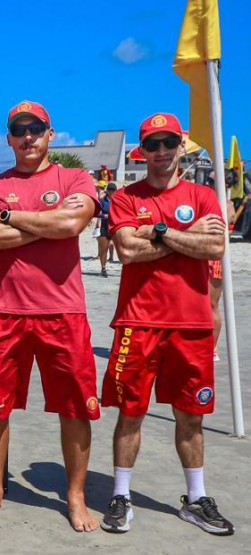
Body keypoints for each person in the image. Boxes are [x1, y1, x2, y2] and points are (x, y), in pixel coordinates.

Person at [0, 100, 101, 532]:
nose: (28, 137)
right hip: (3, 311)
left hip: (63, 311)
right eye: (19, 130)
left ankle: (75, 496)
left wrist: (11, 217)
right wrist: (48, 222)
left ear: (50, 134)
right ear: (8, 137)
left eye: (36, 129)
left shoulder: (75, 178)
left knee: (75, 409)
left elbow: (71, 226)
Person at [99, 113, 233, 535]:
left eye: (169, 143)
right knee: (131, 413)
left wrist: (156, 232)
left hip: (192, 325)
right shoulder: (125, 196)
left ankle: (196, 498)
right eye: (153, 144)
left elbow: (214, 245)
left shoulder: (203, 194)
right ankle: (121, 495)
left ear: (180, 146)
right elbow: (127, 251)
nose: (161, 151)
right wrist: (184, 232)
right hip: (137, 322)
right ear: (141, 151)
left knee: (190, 416)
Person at [208, 174, 235, 362]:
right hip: (202, 255)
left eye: (212, 181)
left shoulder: (226, 204)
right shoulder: (210, 200)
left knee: (211, 304)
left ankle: (212, 347)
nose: (207, 183)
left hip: (215, 258)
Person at [96, 183, 118, 277]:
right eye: (110, 190)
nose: (111, 192)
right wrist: (103, 215)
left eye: (113, 190)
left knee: (122, 247)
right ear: (107, 191)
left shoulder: (119, 201)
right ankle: (103, 268)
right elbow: (95, 213)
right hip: (105, 226)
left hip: (116, 226)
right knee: (103, 249)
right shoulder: (102, 201)